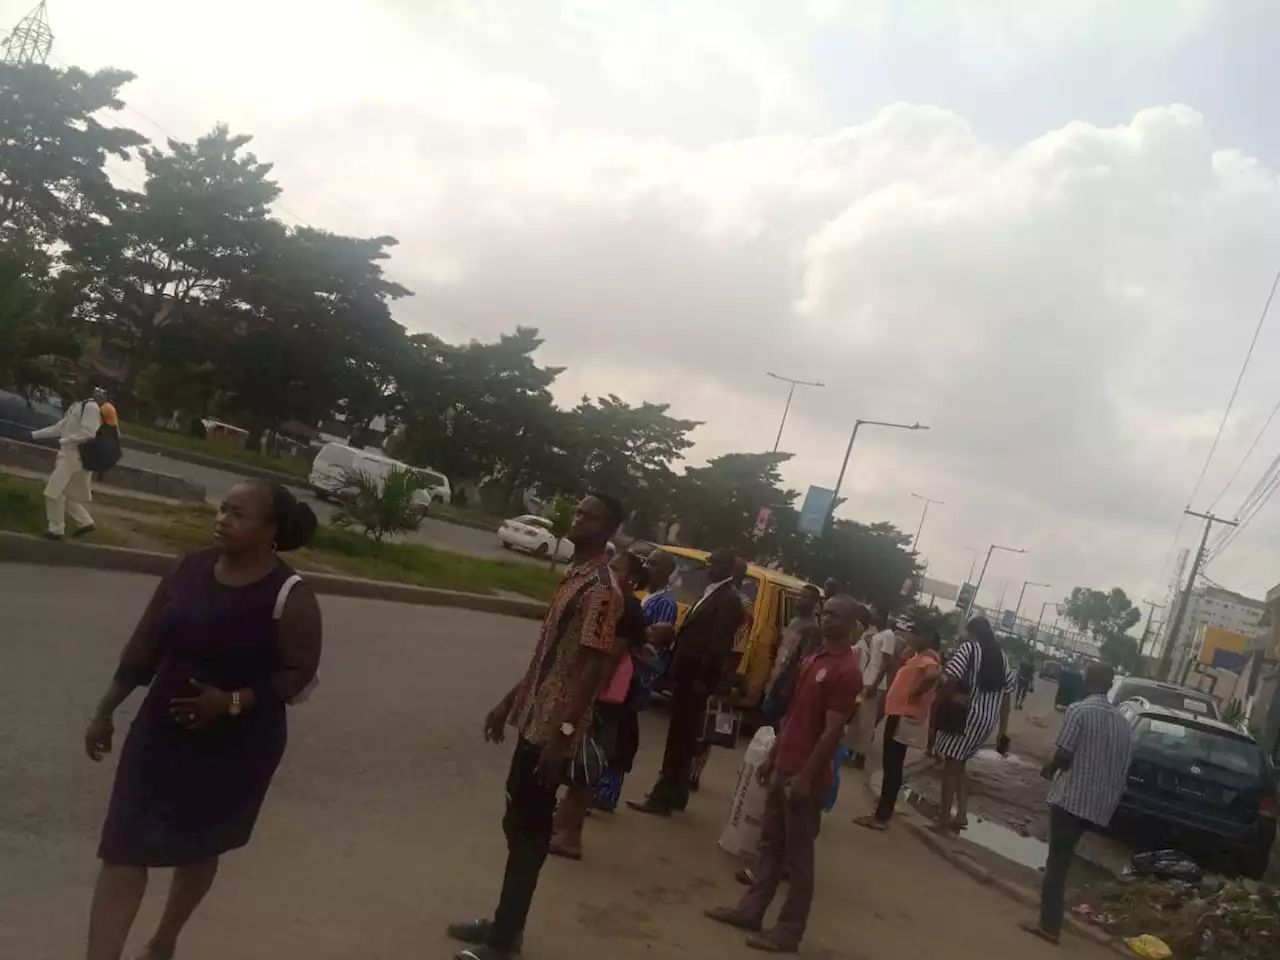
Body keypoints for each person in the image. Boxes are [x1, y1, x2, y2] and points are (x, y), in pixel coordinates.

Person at [83, 481, 322, 960]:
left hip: (235, 746)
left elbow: (299, 674)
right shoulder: (187, 569)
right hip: (159, 731)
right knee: (123, 848)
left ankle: (165, 939)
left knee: (197, 847)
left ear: (270, 529)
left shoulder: (289, 594)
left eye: (238, 514)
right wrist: (105, 709)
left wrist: (234, 700)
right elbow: (145, 645)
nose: (222, 520)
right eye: (222, 509)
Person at [448, 493, 624, 960]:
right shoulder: (575, 575)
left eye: (591, 515)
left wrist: (563, 737)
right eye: (580, 511)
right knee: (517, 821)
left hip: (552, 731)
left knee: (528, 831)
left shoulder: (603, 587)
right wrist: (509, 701)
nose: (579, 518)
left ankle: (504, 941)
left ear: (609, 529)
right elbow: (551, 655)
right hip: (532, 718)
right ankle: (505, 924)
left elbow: (592, 669)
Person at [704, 595, 864, 953]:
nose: (827, 619)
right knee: (769, 847)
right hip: (785, 767)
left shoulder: (847, 671)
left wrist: (805, 777)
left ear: (852, 623)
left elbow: (831, 732)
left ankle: (788, 931)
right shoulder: (814, 658)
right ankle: (750, 911)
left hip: (805, 778)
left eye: (837, 615)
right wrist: (774, 755)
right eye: (825, 613)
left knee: (798, 858)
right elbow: (793, 715)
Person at [630, 548, 745, 816]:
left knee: (679, 741)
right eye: (709, 561)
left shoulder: (728, 599)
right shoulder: (714, 592)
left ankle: (661, 799)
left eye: (715, 561)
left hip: (696, 681)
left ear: (727, 567)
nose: (709, 566)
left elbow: (718, 646)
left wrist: (702, 681)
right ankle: (677, 793)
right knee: (683, 739)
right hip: (689, 677)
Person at [1022, 663, 1131, 946]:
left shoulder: (1079, 710)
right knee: (1065, 856)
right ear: (1109, 686)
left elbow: (1065, 754)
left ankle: (1049, 926)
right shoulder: (1122, 722)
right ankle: (1052, 919)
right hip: (1097, 805)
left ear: (1085, 681)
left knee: (1057, 861)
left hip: (1071, 799)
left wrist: (1049, 768)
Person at [551, 551, 644, 850]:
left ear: (630, 576)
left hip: (602, 697)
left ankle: (571, 837)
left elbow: (610, 656)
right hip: (598, 694)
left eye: (616, 567)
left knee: (583, 763)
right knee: (578, 761)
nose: (609, 570)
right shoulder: (614, 599)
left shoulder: (627, 605)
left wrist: (588, 697)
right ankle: (563, 825)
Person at [855, 620, 941, 830]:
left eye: (916, 634)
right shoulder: (920, 656)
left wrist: (917, 693)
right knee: (893, 765)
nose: (911, 638)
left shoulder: (928, 658)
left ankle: (881, 817)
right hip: (900, 714)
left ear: (927, 637)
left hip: (902, 715)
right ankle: (884, 811)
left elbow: (933, 675)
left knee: (892, 765)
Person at [932, 617, 1015, 831]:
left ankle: (942, 819)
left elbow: (950, 678)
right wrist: (1002, 731)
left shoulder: (968, 649)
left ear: (971, 631)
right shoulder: (1003, 658)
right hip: (986, 721)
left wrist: (938, 696)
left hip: (964, 716)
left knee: (951, 765)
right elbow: (1006, 698)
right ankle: (960, 815)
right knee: (959, 765)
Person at [30, 376, 102, 540]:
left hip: (74, 456)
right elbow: (59, 427)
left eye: (78, 384)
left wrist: (65, 441)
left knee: (52, 492)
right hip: (69, 455)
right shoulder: (77, 406)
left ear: (88, 388)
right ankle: (85, 522)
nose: (74, 387)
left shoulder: (91, 407)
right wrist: (34, 435)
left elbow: (89, 433)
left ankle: (56, 530)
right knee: (66, 494)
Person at [763, 584, 822, 719]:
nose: (799, 599)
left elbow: (803, 664)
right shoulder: (795, 621)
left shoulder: (812, 629)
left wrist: (786, 689)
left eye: (804, 597)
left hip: (785, 688)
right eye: (799, 595)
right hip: (775, 681)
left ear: (813, 602)